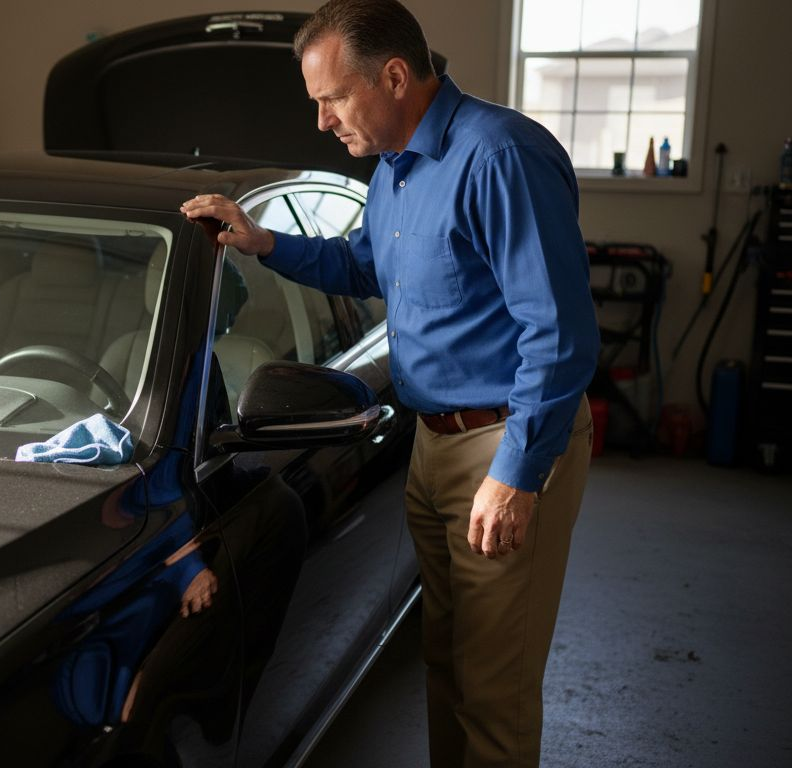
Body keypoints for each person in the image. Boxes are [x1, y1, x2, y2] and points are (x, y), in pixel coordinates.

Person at [180, 1, 599, 765]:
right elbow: (361, 267)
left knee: (492, 691)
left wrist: (517, 475)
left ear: (395, 76)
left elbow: (561, 334)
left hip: (503, 445)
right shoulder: (394, 171)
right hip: (433, 446)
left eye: (331, 99)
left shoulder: (500, 156)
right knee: (445, 667)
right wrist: (263, 241)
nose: (321, 122)